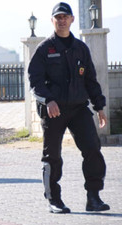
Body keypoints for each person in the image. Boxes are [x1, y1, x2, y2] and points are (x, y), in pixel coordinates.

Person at [28, 2, 110, 214]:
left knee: (92, 149)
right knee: (52, 156)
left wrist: (99, 106)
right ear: (53, 21)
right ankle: (54, 200)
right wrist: (48, 100)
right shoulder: (44, 49)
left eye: (65, 16)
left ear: (72, 19)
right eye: (58, 17)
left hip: (78, 108)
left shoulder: (81, 48)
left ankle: (93, 197)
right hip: (53, 110)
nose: (62, 20)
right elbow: (35, 81)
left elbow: (90, 80)